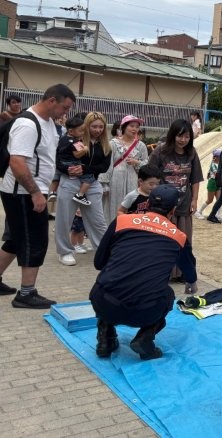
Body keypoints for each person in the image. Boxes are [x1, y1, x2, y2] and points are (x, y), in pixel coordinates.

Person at [90, 184, 198, 360]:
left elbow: (98, 262)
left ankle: (105, 338)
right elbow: (189, 272)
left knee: (106, 284)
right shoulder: (178, 236)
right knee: (168, 294)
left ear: (147, 204)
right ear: (173, 210)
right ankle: (145, 338)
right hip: (146, 311)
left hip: (104, 303)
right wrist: (191, 283)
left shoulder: (122, 221)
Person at [0, 84, 75, 309]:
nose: (65, 113)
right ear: (52, 100)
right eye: (64, 107)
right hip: (23, 192)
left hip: (30, 190)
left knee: (15, 239)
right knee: (35, 241)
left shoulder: (50, 124)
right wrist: (35, 193)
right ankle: (26, 293)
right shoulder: (27, 124)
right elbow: (17, 162)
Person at [148, 119, 203, 281]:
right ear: (173, 135)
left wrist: (194, 200)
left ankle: (181, 273)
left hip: (183, 205)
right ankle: (162, 272)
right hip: (163, 206)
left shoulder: (192, 153)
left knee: (183, 240)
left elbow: (195, 179)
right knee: (163, 239)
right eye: (180, 136)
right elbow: (150, 174)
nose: (183, 140)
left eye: (186, 137)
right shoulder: (160, 151)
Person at [54, 111, 112, 267]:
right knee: (64, 219)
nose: (98, 130)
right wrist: (68, 170)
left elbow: (104, 167)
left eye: (101, 126)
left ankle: (104, 251)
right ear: (86, 125)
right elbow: (59, 160)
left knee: (98, 221)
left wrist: (84, 168)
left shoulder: (106, 144)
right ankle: (65, 251)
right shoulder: (74, 140)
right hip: (70, 181)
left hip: (92, 184)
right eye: (94, 126)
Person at [99, 115, 149, 225]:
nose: (135, 129)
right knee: (113, 206)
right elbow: (107, 165)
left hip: (133, 179)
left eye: (137, 126)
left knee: (131, 205)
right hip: (115, 180)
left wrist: (137, 163)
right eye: (131, 126)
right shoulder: (113, 143)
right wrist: (104, 184)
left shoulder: (141, 146)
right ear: (124, 127)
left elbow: (146, 165)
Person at [55, 116, 93, 206]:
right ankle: (80, 195)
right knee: (89, 177)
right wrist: (85, 149)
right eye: (81, 130)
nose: (83, 133)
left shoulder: (63, 138)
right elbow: (77, 154)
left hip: (62, 164)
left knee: (56, 176)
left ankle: (53, 192)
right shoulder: (74, 141)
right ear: (71, 131)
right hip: (72, 164)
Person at [195, 148, 222, 219]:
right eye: (220, 156)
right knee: (210, 200)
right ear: (216, 157)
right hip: (212, 183)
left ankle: (219, 215)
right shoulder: (213, 164)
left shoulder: (219, 164)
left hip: (218, 183)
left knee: (219, 200)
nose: (221, 157)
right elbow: (217, 174)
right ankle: (199, 212)